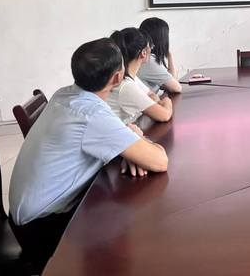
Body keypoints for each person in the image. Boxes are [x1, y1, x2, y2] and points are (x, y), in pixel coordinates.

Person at [9, 38, 168, 270]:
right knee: (140, 225)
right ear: (117, 78)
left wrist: (128, 145)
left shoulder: (65, 95)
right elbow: (160, 161)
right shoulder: (91, 114)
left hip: (27, 215)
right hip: (41, 227)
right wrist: (138, 141)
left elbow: (108, 132)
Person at [108, 28, 173, 124]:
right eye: (151, 47)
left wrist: (155, 103)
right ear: (143, 53)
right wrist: (167, 101)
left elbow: (151, 94)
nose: (151, 50)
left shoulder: (128, 76)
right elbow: (165, 115)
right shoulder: (125, 85)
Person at [138, 17, 182, 94]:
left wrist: (169, 55)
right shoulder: (148, 61)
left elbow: (170, 81)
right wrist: (169, 55)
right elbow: (177, 88)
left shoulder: (143, 56)